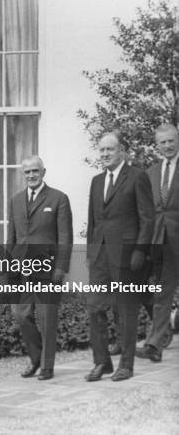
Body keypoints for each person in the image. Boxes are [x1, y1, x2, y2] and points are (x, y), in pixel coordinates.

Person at [85, 132, 154, 382]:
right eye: (101, 150)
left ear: (121, 151)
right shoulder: (95, 181)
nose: (104, 154)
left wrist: (140, 251)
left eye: (109, 150)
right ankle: (102, 363)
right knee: (94, 308)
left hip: (127, 256)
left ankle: (126, 365)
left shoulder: (137, 177)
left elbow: (148, 218)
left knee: (126, 311)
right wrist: (91, 253)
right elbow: (94, 220)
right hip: (100, 257)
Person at [8, 155, 73, 381]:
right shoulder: (15, 200)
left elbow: (65, 237)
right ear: (22, 174)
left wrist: (61, 267)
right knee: (20, 314)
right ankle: (36, 359)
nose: (31, 175)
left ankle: (47, 366)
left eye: (35, 171)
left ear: (43, 172)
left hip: (48, 270)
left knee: (47, 319)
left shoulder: (58, 199)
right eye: (27, 172)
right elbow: (12, 238)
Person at [136, 124, 179, 362]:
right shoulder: (151, 173)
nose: (168, 146)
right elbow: (147, 210)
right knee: (161, 293)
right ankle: (155, 344)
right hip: (161, 243)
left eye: (171, 141)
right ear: (157, 145)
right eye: (163, 142)